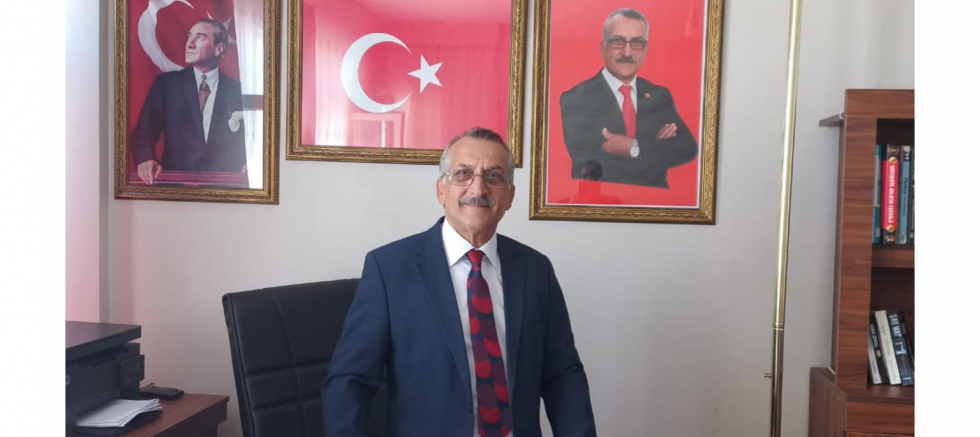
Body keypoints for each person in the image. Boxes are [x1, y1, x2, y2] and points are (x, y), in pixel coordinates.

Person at [323, 128, 597, 437]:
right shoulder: (389, 269)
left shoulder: (536, 270)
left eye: (493, 176)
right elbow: (350, 380)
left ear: (509, 196)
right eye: (463, 173)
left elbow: (563, 376)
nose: (478, 187)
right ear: (441, 190)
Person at [559, 8, 698, 188]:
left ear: (646, 50)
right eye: (618, 41)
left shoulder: (659, 95)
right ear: (603, 48)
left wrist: (633, 147)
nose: (627, 52)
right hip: (605, 201)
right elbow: (590, 164)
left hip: (655, 200)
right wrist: (657, 151)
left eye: (637, 43)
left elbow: (687, 148)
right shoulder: (576, 98)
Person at [130, 19, 246, 185]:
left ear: (219, 48)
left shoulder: (238, 90)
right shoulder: (166, 85)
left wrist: (250, 162)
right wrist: (145, 159)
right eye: (189, 36)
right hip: (177, 188)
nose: (189, 44)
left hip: (224, 189)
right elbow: (144, 132)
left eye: (200, 37)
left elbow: (253, 137)